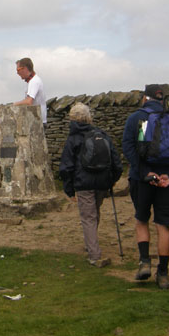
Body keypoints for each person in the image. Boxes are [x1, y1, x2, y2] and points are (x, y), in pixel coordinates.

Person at [121, 84, 169, 289]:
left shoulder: (139, 120)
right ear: (162, 100)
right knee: (163, 225)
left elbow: (130, 147)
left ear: (145, 98)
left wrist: (145, 173)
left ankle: (144, 262)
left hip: (143, 180)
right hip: (167, 181)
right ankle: (163, 273)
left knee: (142, 220)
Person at [59, 102, 122, 268]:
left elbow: (66, 166)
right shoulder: (102, 135)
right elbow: (116, 161)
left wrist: (69, 189)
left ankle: (94, 255)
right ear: (88, 118)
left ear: (72, 119)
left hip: (83, 183)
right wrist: (112, 180)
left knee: (88, 217)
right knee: (94, 212)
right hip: (102, 182)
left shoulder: (73, 139)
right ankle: (90, 244)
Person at [14, 57, 47, 125]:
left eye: (18, 69)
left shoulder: (34, 81)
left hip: (37, 122)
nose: (17, 73)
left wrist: (14, 104)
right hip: (37, 120)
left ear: (25, 68)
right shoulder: (32, 81)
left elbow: (28, 101)